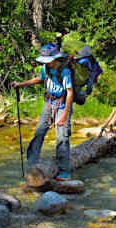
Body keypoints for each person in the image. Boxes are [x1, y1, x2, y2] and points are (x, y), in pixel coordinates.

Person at [11, 43, 73, 181]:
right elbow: (39, 79)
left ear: (54, 58)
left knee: (62, 138)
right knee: (39, 133)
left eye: (48, 60)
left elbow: (70, 93)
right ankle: (32, 165)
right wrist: (21, 84)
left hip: (62, 105)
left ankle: (64, 171)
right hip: (48, 103)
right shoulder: (46, 67)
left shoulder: (65, 71)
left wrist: (64, 115)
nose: (46, 63)